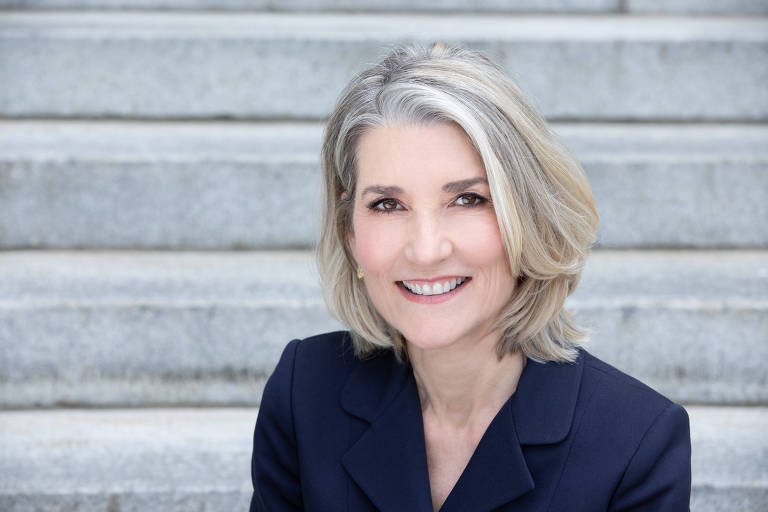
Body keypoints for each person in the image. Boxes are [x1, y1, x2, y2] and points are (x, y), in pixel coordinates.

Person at [250, 42, 691, 512]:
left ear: (528, 218)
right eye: (387, 204)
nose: (426, 250)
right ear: (350, 233)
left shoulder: (636, 441)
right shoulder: (305, 392)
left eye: (467, 200)